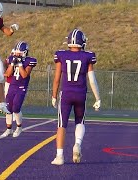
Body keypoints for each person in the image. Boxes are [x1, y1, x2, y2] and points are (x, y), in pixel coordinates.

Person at [51, 28, 101, 165]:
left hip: (66, 94)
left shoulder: (61, 55)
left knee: (62, 125)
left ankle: (60, 156)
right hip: (80, 94)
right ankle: (77, 143)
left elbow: (57, 79)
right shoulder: (87, 56)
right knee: (80, 121)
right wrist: (98, 98)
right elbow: (92, 79)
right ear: (82, 42)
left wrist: (54, 95)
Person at [1, 41, 37, 137]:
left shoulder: (30, 61)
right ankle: (8, 129)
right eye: (16, 52)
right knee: (8, 108)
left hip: (21, 87)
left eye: (19, 52)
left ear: (25, 52)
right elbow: (8, 74)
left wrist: (20, 64)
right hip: (12, 85)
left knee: (16, 108)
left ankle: (19, 127)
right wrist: (12, 64)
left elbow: (24, 75)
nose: (17, 54)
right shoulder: (12, 58)